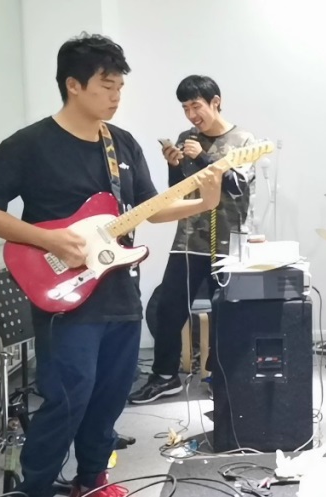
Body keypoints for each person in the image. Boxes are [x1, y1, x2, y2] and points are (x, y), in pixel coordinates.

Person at [0, 33, 224, 497]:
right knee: (68, 398)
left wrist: (203, 201)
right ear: (73, 84)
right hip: (64, 296)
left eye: (120, 87)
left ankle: (91, 481)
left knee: (110, 396)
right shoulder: (30, 144)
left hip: (119, 291)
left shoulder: (121, 144)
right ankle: (35, 488)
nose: (116, 96)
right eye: (107, 86)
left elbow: (149, 208)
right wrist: (47, 238)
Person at [128, 75, 257, 404]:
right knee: (168, 308)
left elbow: (237, 187)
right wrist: (174, 165)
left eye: (196, 106)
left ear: (216, 102)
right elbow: (179, 191)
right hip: (188, 239)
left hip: (229, 242)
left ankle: (219, 375)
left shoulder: (244, 140)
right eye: (185, 108)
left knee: (225, 312)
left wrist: (201, 158)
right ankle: (165, 376)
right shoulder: (187, 138)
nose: (191, 115)